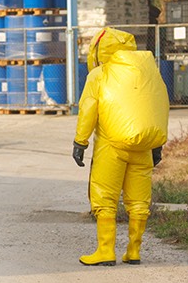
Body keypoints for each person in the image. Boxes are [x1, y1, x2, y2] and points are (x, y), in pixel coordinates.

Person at [72, 27, 169, 266]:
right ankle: (134, 251)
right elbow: (158, 106)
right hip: (144, 147)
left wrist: (80, 141)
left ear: (98, 51)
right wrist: (157, 145)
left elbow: (88, 110)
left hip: (111, 146)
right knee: (138, 201)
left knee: (105, 197)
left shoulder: (100, 74)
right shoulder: (149, 73)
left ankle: (106, 250)